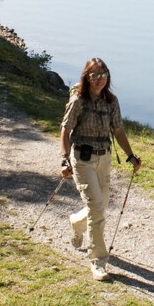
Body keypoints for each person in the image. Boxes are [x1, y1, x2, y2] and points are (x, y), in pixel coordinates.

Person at [59, 57, 141, 281]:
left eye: (103, 75)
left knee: (101, 206)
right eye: (94, 75)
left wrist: (131, 155)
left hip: (104, 158)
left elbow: (119, 130)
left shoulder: (111, 101)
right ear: (87, 77)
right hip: (82, 160)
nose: (99, 80)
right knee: (97, 208)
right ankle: (98, 260)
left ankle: (76, 224)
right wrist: (65, 159)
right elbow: (65, 131)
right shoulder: (78, 100)